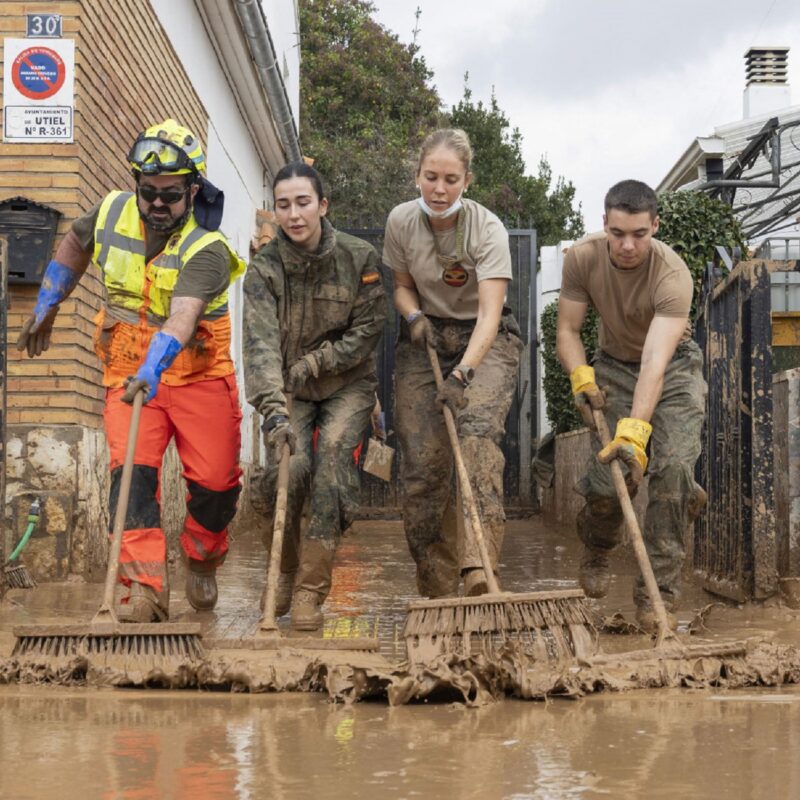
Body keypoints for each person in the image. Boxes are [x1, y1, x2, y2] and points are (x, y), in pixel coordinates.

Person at [17, 119, 246, 622]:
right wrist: (49, 304)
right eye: (149, 192)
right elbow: (76, 244)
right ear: (136, 187)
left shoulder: (207, 248)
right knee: (131, 484)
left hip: (197, 377)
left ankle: (203, 557)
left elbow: (183, 315)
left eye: (170, 194)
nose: (157, 204)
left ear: (192, 190)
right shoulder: (112, 212)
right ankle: (143, 590)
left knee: (216, 487)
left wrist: (155, 365)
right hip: (126, 376)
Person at [556, 179, 707, 633]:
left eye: (639, 234)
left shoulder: (673, 275)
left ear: (655, 226)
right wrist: (581, 376)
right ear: (604, 223)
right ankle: (599, 546)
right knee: (608, 483)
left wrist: (635, 432)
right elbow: (567, 330)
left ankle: (657, 596)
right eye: (618, 233)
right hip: (614, 366)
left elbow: (656, 364)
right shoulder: (581, 258)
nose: (627, 245)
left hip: (673, 368)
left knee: (675, 471)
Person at [243, 162, 386, 631]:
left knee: (331, 472)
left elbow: (369, 331)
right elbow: (260, 346)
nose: (294, 214)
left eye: (303, 202)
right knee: (290, 467)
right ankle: (282, 572)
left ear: (322, 206)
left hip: (349, 384)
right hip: (290, 389)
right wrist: (272, 412)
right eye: (283, 205)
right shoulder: (264, 269)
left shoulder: (358, 256)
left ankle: (310, 588)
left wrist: (318, 361)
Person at [382, 128, 523, 598]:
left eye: (450, 179)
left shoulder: (488, 229)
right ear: (417, 175)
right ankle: (437, 583)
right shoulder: (401, 221)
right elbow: (402, 285)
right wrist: (414, 315)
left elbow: (489, 312)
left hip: (486, 340)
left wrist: (463, 373)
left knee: (477, 437)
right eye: (430, 177)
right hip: (425, 338)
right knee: (423, 462)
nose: (439, 190)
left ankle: (479, 570)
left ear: (467, 180)